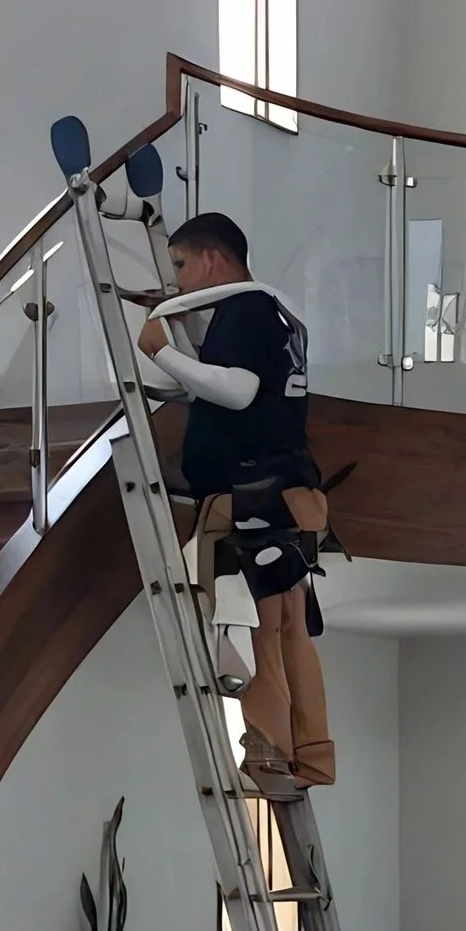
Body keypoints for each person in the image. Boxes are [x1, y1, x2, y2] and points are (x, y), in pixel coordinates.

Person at [136, 213, 334, 791]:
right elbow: (244, 388)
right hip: (289, 490)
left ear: (212, 260)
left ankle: (270, 759)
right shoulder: (278, 315)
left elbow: (240, 389)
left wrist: (161, 354)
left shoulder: (245, 307)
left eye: (180, 265)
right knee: (286, 625)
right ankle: (312, 758)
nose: (178, 281)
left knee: (257, 625)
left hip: (255, 496)